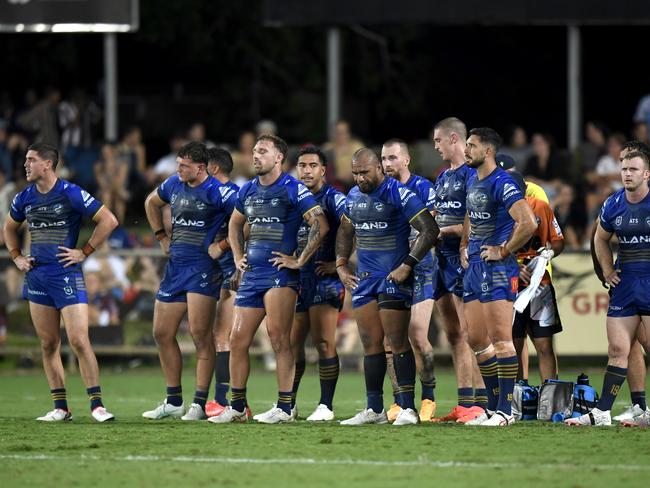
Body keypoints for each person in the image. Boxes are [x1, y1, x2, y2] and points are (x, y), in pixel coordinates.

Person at [211, 134, 329, 424]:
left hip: (280, 275)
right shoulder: (248, 189)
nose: (255, 156)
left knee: (279, 339)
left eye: (262, 151)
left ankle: (285, 407)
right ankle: (237, 407)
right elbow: (235, 224)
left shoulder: (293, 188)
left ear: (278, 158)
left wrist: (299, 260)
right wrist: (238, 255)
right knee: (237, 339)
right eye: (253, 151)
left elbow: (320, 224)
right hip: (252, 275)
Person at [3, 142, 118, 422]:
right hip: (38, 277)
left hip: (66, 274)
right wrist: (17, 256)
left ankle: (97, 405)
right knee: (48, 343)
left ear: (47, 164)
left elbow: (109, 220)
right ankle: (61, 408)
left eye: (31, 160)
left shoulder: (70, 193)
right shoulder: (23, 197)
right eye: (26, 160)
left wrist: (84, 252)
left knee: (79, 340)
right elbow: (8, 227)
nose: (25, 164)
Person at [336, 148, 439, 426]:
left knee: (397, 341)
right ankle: (375, 409)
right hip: (365, 279)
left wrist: (407, 264)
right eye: (355, 173)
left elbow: (430, 229)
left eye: (364, 172)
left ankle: (407, 408)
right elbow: (345, 230)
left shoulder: (399, 193)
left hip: (393, 278)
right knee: (370, 344)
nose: (359, 178)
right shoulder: (354, 197)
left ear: (379, 169)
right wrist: (341, 265)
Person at [141, 141, 236, 421]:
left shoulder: (219, 193)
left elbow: (246, 222)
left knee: (199, 335)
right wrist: (161, 236)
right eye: (178, 164)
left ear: (201, 167)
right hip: (175, 268)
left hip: (203, 269)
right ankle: (173, 401)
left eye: (184, 165)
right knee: (161, 333)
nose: (179, 169)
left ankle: (199, 403)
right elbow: (150, 202)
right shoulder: (173, 185)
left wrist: (223, 246)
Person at [460, 128, 537, 427]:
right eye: (466, 144)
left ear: (488, 151)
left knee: (503, 341)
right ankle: (491, 409)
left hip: (497, 269)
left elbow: (528, 222)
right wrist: (466, 244)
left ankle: (506, 411)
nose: (466, 150)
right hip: (475, 267)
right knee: (477, 339)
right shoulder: (472, 179)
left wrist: (505, 250)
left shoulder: (503, 183)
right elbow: (471, 213)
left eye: (472, 145)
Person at [567, 151, 650, 427]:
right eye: (624, 168)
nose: (627, 173)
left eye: (634, 169)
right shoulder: (613, 204)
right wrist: (607, 270)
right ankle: (602, 413)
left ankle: (641, 410)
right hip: (625, 285)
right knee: (617, 348)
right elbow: (599, 238)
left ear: (646, 174)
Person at [430, 117, 487, 424]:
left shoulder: (471, 173)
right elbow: (440, 212)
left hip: (462, 259)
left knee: (471, 333)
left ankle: (479, 403)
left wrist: (445, 230)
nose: (435, 146)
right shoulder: (442, 177)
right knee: (453, 333)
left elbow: (474, 218)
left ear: (454, 138)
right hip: (440, 259)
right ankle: (464, 402)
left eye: (438, 141)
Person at [380, 139, 438, 422]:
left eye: (392, 158)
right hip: (392, 269)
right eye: (383, 158)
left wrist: (409, 261)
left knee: (417, 334)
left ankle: (428, 397)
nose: (387, 164)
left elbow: (430, 230)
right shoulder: (380, 191)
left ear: (406, 160)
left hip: (422, 269)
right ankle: (400, 400)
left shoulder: (423, 188)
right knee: (389, 339)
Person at [290, 146, 346, 421]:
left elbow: (353, 223)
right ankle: (288, 403)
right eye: (302, 165)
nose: (307, 170)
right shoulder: (291, 196)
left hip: (325, 279)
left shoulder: (334, 198)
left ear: (323, 170)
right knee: (291, 343)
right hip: (297, 278)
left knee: (324, 341)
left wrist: (339, 261)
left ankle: (326, 405)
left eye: (313, 165)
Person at [512, 180, 565, 382]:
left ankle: (550, 397)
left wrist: (550, 253)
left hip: (540, 283)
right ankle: (516, 398)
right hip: (511, 286)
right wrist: (512, 267)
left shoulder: (541, 207)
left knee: (544, 344)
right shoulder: (500, 211)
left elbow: (559, 241)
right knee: (514, 344)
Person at [203, 147, 241, 418]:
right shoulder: (214, 194)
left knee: (226, 336)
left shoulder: (234, 195)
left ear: (213, 169)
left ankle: (225, 400)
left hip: (235, 272)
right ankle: (225, 399)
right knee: (222, 336)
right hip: (219, 272)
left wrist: (223, 245)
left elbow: (246, 224)